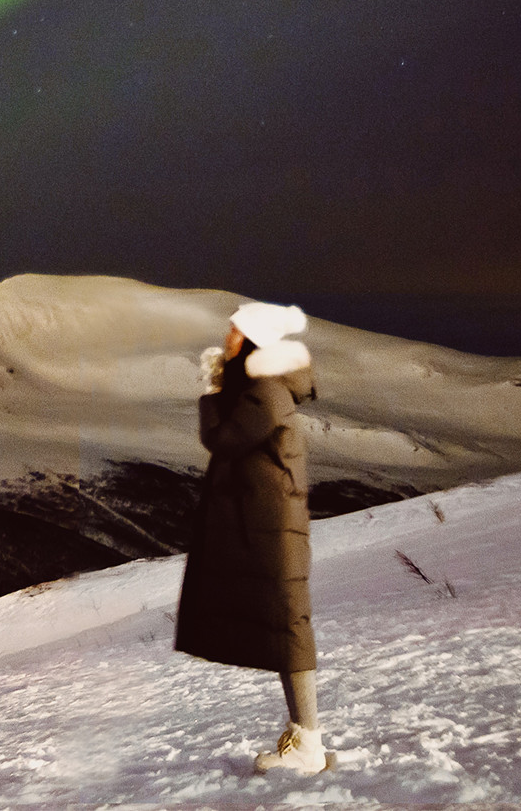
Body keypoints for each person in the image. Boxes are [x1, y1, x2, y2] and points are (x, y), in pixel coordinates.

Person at [173, 300, 327, 774]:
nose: (227, 339)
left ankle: (310, 743)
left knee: (287, 628)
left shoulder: (266, 392)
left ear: (254, 340)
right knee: (283, 629)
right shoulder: (265, 389)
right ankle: (305, 736)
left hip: (270, 527)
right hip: (265, 523)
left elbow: (223, 441)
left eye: (235, 332)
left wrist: (212, 391)